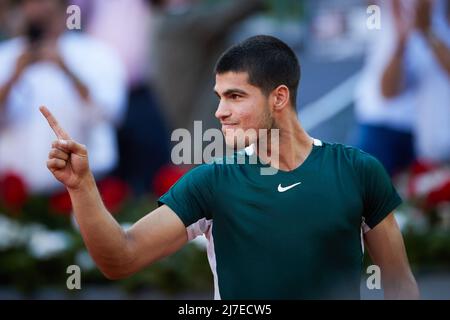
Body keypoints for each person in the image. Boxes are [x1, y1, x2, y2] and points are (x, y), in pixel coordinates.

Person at [41, 35, 419, 299]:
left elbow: (401, 285)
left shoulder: (357, 170)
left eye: (235, 96)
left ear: (279, 98)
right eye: (219, 97)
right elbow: (120, 258)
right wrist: (81, 186)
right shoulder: (211, 181)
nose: (221, 112)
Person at [0, 0, 126, 193]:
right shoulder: (6, 55)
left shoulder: (96, 53)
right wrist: (12, 78)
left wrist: (67, 70)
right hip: (15, 196)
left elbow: (109, 113)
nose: (36, 11)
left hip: (83, 192)